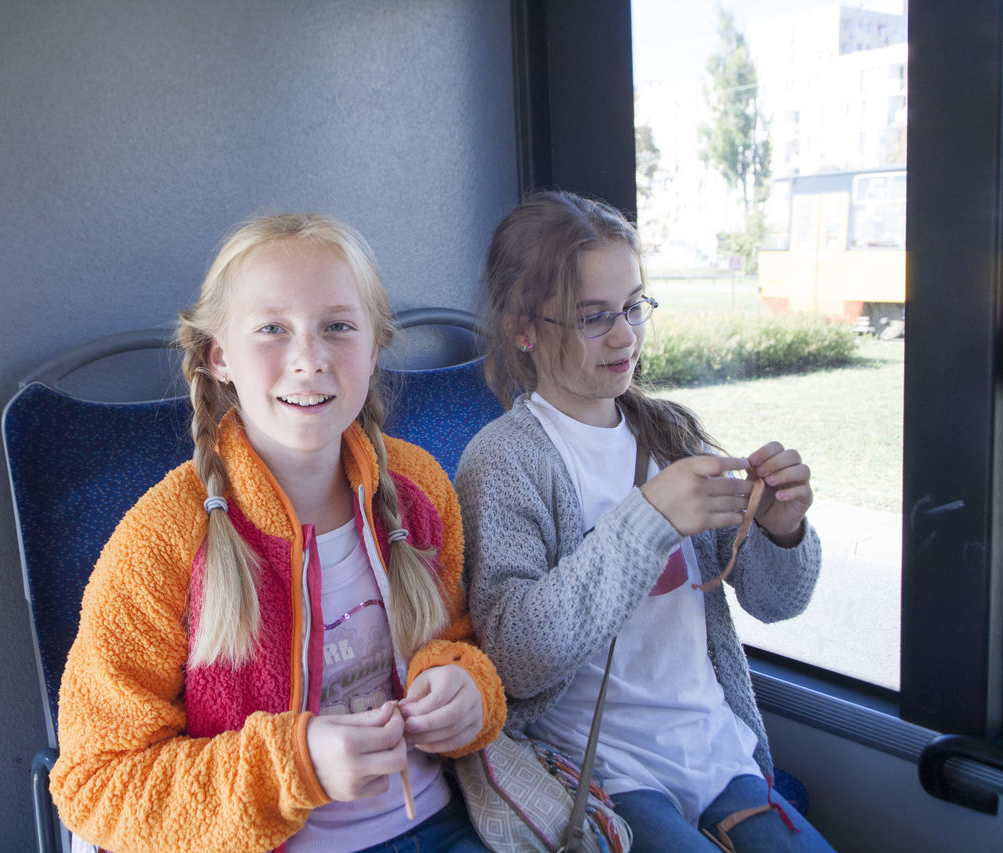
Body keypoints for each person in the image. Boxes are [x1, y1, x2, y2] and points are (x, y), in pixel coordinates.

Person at [50, 213, 506, 853]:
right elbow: (96, 784)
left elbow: (452, 639)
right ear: (220, 357)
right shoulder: (161, 542)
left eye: (338, 327)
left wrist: (464, 689)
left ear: (374, 348)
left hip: (443, 823)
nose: (309, 359)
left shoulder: (417, 486)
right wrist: (294, 765)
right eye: (272, 330)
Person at [455, 190, 835, 852]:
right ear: (524, 327)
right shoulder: (505, 460)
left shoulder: (670, 431)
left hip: (715, 749)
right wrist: (649, 518)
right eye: (594, 317)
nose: (626, 335)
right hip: (599, 769)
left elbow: (777, 602)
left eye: (634, 307)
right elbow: (514, 657)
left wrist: (781, 529)